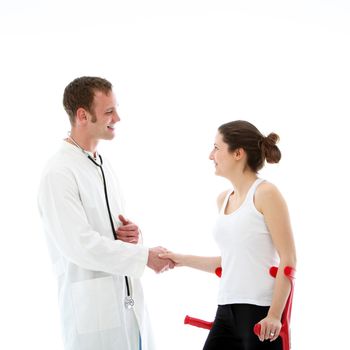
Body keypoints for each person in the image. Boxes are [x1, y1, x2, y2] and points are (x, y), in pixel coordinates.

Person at [37, 76, 173, 350]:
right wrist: (144, 256)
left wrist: (131, 235)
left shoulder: (102, 164)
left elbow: (107, 230)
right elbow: (80, 245)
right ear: (82, 115)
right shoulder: (59, 173)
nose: (118, 118)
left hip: (126, 303)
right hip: (93, 315)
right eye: (109, 111)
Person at [159, 120, 297, 350]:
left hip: (260, 312)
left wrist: (274, 315)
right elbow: (231, 262)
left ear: (238, 154)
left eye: (216, 148)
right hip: (225, 311)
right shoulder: (223, 199)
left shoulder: (266, 194)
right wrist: (179, 259)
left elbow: (289, 259)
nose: (210, 155)